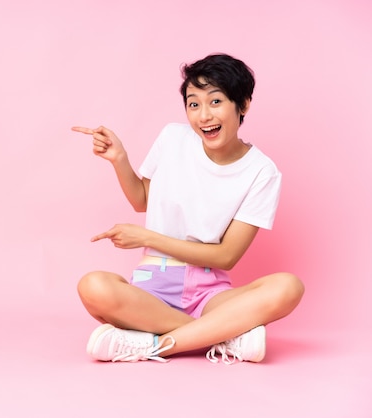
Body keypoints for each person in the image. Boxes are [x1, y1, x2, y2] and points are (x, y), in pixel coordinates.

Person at [71, 53, 304, 364]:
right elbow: (142, 199)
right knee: (94, 286)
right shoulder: (172, 138)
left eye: (215, 102)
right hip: (151, 289)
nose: (203, 115)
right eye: (194, 104)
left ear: (244, 105)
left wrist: (147, 238)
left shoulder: (262, 171)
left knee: (288, 287)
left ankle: (152, 345)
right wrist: (119, 159)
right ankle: (222, 337)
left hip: (211, 295)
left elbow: (226, 256)